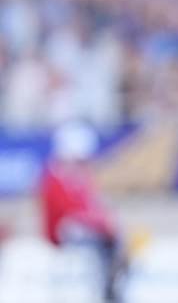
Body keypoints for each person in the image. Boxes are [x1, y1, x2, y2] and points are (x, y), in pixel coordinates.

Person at [39, 121, 124, 303]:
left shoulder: (77, 178)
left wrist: (108, 223)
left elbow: (93, 205)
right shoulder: (56, 178)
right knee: (101, 241)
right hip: (63, 235)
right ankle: (107, 289)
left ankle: (111, 288)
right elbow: (68, 213)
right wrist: (103, 225)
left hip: (82, 231)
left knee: (116, 239)